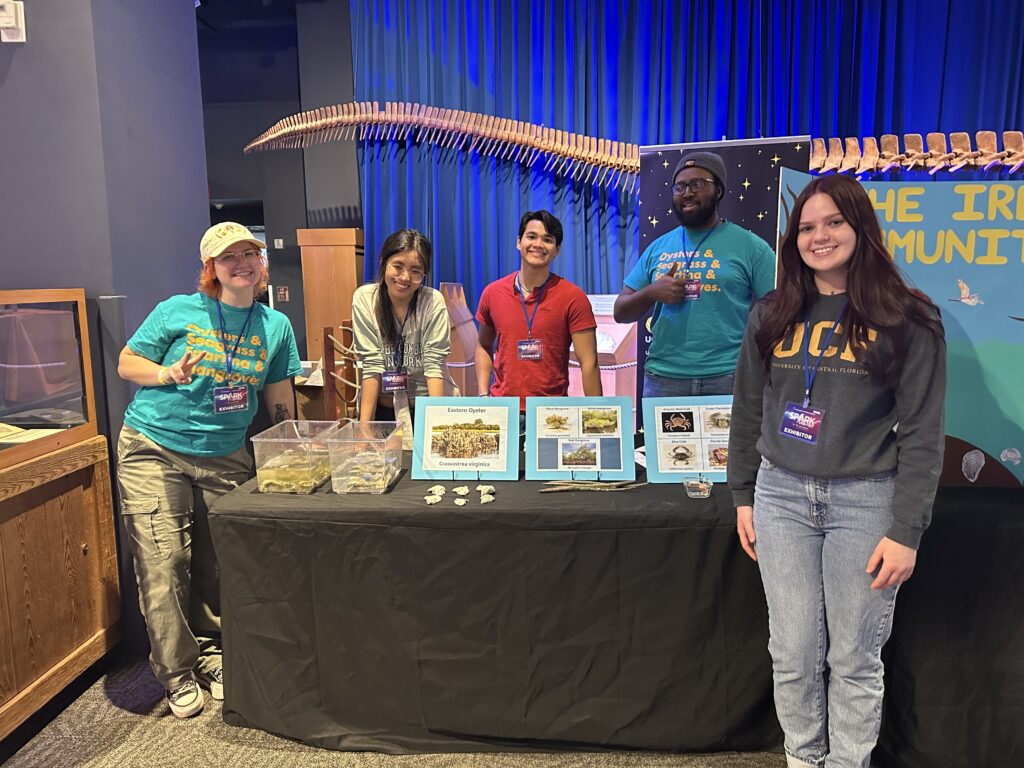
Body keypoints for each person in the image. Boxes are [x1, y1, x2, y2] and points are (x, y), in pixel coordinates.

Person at [728, 175, 946, 768]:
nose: (819, 236)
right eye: (806, 227)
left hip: (866, 498)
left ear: (861, 228)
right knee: (793, 652)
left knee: (854, 656)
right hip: (780, 498)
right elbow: (748, 409)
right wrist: (743, 494)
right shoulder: (771, 313)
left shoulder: (909, 317)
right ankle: (804, 760)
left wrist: (907, 530)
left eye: (833, 223)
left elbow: (924, 432)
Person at [116, 222, 302, 718]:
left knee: (224, 559)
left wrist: (291, 456)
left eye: (249, 254)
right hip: (155, 447)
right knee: (164, 560)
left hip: (225, 454)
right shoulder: (178, 311)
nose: (241, 263)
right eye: (228, 258)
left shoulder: (275, 326)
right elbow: (126, 362)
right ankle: (176, 672)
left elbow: (280, 400)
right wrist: (166, 373)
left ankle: (215, 653)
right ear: (211, 269)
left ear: (261, 264)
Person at [613, 150, 776, 396]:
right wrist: (652, 292)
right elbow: (620, 311)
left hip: (728, 377)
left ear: (718, 190)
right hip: (664, 379)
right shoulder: (659, 247)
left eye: (696, 184)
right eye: (679, 187)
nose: (687, 193)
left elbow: (779, 310)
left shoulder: (751, 246)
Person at [475, 210, 602, 407]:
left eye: (548, 239)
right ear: (519, 242)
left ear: (557, 249)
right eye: (531, 236)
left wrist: (598, 413)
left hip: (551, 413)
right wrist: (483, 396)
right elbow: (483, 345)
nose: (538, 245)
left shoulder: (573, 297)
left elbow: (589, 362)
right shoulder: (492, 293)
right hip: (503, 410)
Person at [351, 228, 451, 422]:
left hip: (425, 408)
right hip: (382, 410)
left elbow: (434, 366)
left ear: (424, 274)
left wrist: (438, 424)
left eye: (415, 271)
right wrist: (365, 427)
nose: (405, 277)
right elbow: (372, 365)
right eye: (398, 266)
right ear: (383, 262)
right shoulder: (365, 299)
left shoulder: (432, 301)